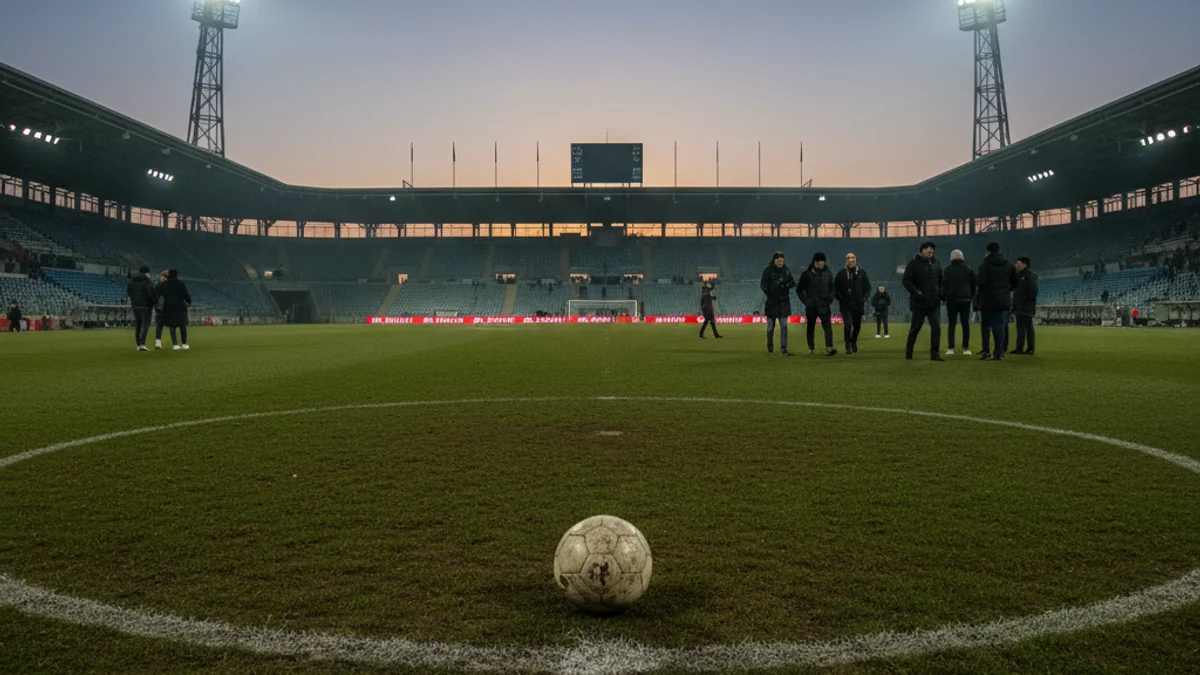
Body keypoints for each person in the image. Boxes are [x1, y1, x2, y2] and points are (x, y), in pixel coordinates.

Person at [902, 242, 944, 361]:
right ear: (922, 251)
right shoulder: (913, 264)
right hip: (919, 303)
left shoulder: (936, 263)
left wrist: (940, 292)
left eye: (932, 250)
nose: (930, 252)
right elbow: (906, 281)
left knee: (936, 328)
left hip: (934, 302)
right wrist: (917, 293)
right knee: (915, 328)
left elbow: (942, 279)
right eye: (928, 250)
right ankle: (909, 351)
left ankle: (935, 354)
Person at [975, 242, 1017, 361]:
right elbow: (1015, 282)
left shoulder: (984, 266)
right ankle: (999, 352)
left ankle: (986, 351)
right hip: (1003, 300)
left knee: (986, 326)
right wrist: (1006, 289)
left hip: (988, 300)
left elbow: (981, 283)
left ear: (987, 251)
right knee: (1000, 325)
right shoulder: (1008, 266)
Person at [798, 252, 838, 356]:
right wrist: (806, 301)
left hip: (824, 305)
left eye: (822, 261)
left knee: (828, 327)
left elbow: (833, 289)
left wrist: (829, 300)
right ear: (814, 262)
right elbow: (799, 290)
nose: (820, 263)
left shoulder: (828, 274)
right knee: (810, 327)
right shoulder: (806, 274)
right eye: (818, 261)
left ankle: (829, 347)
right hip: (811, 306)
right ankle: (811, 348)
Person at [760, 251, 796, 356]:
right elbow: (763, 284)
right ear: (774, 260)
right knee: (770, 326)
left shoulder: (786, 270)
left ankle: (783, 349)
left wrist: (786, 286)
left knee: (784, 326)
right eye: (778, 259)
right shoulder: (768, 270)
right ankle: (770, 342)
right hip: (772, 302)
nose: (780, 261)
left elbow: (792, 282)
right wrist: (771, 293)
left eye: (782, 259)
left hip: (783, 302)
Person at [834, 253, 870, 354]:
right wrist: (840, 297)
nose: (850, 260)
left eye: (852, 258)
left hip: (858, 304)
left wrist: (864, 298)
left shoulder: (862, 273)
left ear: (856, 260)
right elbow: (835, 287)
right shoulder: (841, 273)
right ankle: (847, 346)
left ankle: (853, 341)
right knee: (848, 324)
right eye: (848, 258)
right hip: (845, 304)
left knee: (857, 326)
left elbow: (868, 288)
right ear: (846, 261)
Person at [943, 249, 977, 356]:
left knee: (951, 324)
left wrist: (945, 297)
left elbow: (944, 285)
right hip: (965, 300)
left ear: (951, 258)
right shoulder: (968, 269)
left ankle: (950, 348)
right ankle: (966, 348)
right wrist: (970, 295)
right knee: (965, 324)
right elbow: (974, 283)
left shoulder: (948, 270)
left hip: (952, 300)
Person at [158, 269, 192, 350]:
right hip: (180, 307)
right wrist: (189, 301)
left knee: (172, 326)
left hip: (168, 307)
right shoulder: (180, 284)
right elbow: (186, 294)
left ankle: (175, 344)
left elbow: (159, 293)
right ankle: (184, 343)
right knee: (182, 325)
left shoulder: (164, 284)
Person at [1011, 256, 1039, 355]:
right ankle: (1019, 348)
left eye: (1018, 263)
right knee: (1020, 327)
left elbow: (1033, 290)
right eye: (1016, 263)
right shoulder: (1018, 275)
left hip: (1026, 305)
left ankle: (1030, 349)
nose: (1016, 265)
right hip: (1019, 305)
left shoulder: (1030, 275)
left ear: (1024, 264)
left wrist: (1028, 302)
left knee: (1028, 327)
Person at [126, 265, 156, 351]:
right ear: (147, 273)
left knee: (138, 325)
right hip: (146, 305)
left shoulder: (132, 281)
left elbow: (129, 292)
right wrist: (153, 301)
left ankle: (138, 344)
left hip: (135, 305)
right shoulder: (148, 281)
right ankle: (142, 343)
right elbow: (151, 293)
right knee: (145, 324)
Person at [153, 270, 168, 349]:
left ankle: (176, 343)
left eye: (165, 277)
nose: (163, 278)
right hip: (160, 308)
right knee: (160, 325)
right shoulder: (158, 286)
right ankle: (158, 341)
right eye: (162, 276)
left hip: (167, 308)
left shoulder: (168, 287)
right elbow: (155, 297)